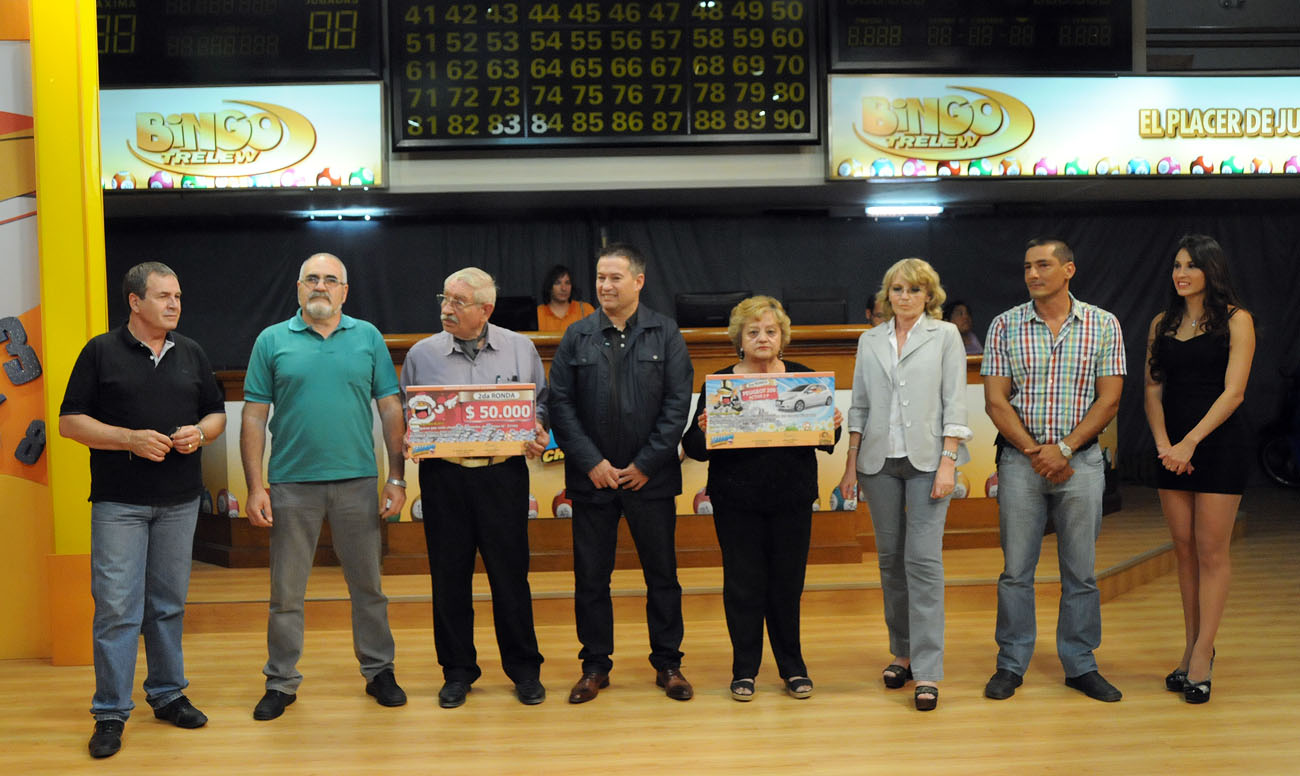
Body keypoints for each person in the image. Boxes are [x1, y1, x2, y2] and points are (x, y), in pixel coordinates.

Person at [59, 262, 226, 758]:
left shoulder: (191, 352)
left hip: (179, 503)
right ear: (134, 302)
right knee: (116, 610)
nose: (174, 304)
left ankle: (168, 694)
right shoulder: (100, 352)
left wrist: (203, 432)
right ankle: (110, 711)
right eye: (162, 296)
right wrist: (128, 439)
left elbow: (215, 412)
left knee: (168, 604)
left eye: (177, 295)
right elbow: (70, 422)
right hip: (119, 505)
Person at [240, 252, 408, 720]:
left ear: (344, 292)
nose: (321, 286)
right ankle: (281, 681)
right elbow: (254, 416)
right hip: (291, 484)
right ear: (298, 288)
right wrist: (256, 487)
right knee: (286, 592)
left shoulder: (368, 337)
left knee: (368, 587)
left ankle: (379, 671)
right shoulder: (272, 340)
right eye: (312, 279)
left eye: (330, 280)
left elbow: (391, 408)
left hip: (358, 481)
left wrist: (397, 476)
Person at [548, 242, 695, 703]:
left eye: (614, 278)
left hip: (649, 480)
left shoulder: (666, 333)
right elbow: (561, 404)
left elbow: (677, 406)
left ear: (638, 282)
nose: (604, 286)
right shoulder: (577, 335)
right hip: (592, 481)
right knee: (592, 578)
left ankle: (668, 663)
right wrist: (592, 462)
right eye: (600, 278)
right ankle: (594, 666)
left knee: (662, 576)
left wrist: (645, 464)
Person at [981, 238, 1126, 703]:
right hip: (1021, 463)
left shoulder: (1103, 325)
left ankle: (1080, 664)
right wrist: (1035, 451)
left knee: (1080, 572)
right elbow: (995, 400)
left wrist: (1063, 448)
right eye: (1027, 266)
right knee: (1015, 572)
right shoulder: (1004, 326)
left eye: (1043, 265)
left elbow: (1110, 399)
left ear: (1069, 270)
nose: (1032, 274)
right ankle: (1010, 664)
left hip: (1081, 463)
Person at [399, 267, 551, 708]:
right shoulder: (421, 355)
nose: (447, 308)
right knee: (449, 578)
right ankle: (457, 671)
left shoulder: (521, 349)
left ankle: (524, 669)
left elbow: (540, 403)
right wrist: (413, 436)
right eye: (444, 299)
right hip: (444, 477)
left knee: (510, 577)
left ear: (486, 309)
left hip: (502, 476)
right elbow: (413, 413)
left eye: (458, 302)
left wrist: (539, 428)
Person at [682, 296, 841, 702]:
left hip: (792, 498)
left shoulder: (805, 379)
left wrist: (833, 425)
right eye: (753, 332)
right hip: (737, 501)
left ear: (782, 337)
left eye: (770, 331)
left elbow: (827, 442)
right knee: (743, 586)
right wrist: (704, 427)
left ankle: (793, 667)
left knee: (788, 585)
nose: (762, 338)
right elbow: (696, 448)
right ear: (739, 338)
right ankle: (744, 669)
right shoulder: (719, 384)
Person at [837, 259, 970, 712]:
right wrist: (851, 464)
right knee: (891, 562)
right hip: (878, 462)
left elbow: (955, 401)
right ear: (886, 295)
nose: (905, 296)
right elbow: (859, 406)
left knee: (923, 562)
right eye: (897, 289)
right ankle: (904, 654)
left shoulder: (945, 335)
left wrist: (949, 461)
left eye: (915, 289)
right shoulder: (868, 339)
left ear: (929, 295)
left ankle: (929, 671)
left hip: (930, 460)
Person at [1144, 235, 1254, 704]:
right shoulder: (1160, 323)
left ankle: (1204, 654)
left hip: (1219, 442)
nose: (1181, 273)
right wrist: (1166, 444)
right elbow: (1152, 392)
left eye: (1191, 265)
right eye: (1176, 264)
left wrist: (1191, 442)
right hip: (1172, 448)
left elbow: (1234, 393)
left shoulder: (1237, 320)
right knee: (1184, 550)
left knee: (1212, 552)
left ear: (1212, 269)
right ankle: (1190, 646)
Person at [536, 264, 595, 333]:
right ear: (549, 287)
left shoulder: (585, 310)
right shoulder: (538, 313)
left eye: (567, 283)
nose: (563, 288)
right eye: (557, 283)